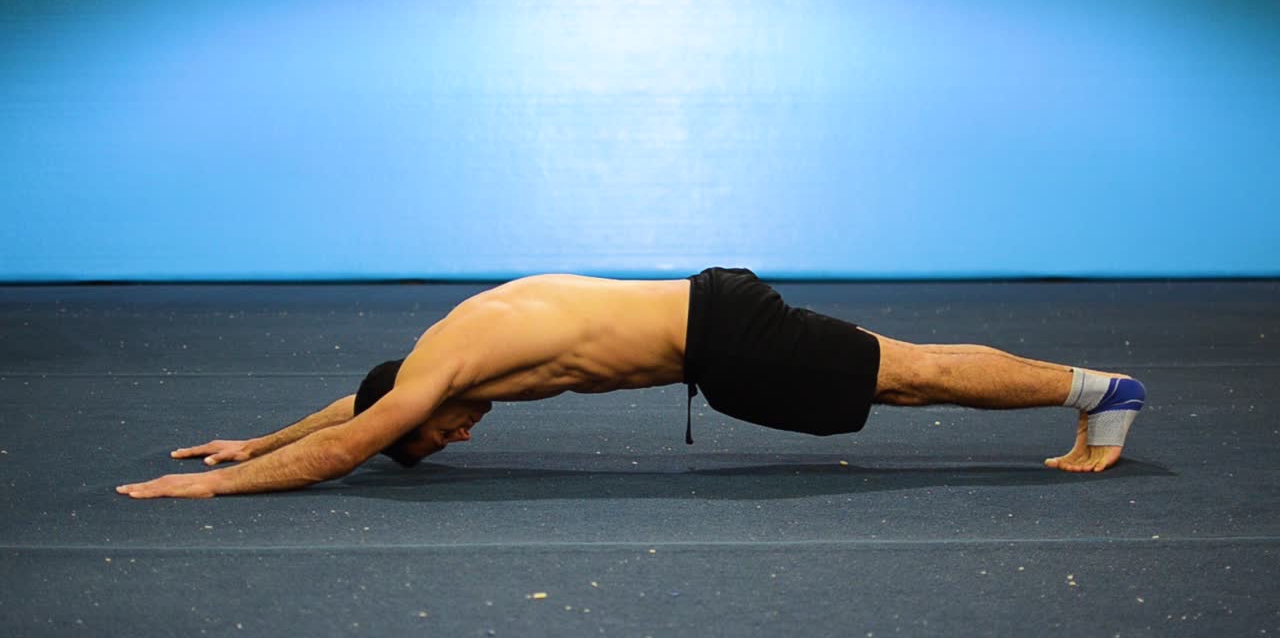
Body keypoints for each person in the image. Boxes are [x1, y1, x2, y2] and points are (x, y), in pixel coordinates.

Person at [117, 268, 1146, 499]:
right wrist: (258, 440)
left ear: (419, 409)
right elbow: (361, 408)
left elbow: (353, 441)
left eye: (433, 437)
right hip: (715, 321)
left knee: (908, 378)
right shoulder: (441, 352)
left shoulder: (443, 372)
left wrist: (211, 487)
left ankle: (1100, 394)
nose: (457, 438)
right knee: (903, 375)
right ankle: (1093, 394)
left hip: (722, 337)